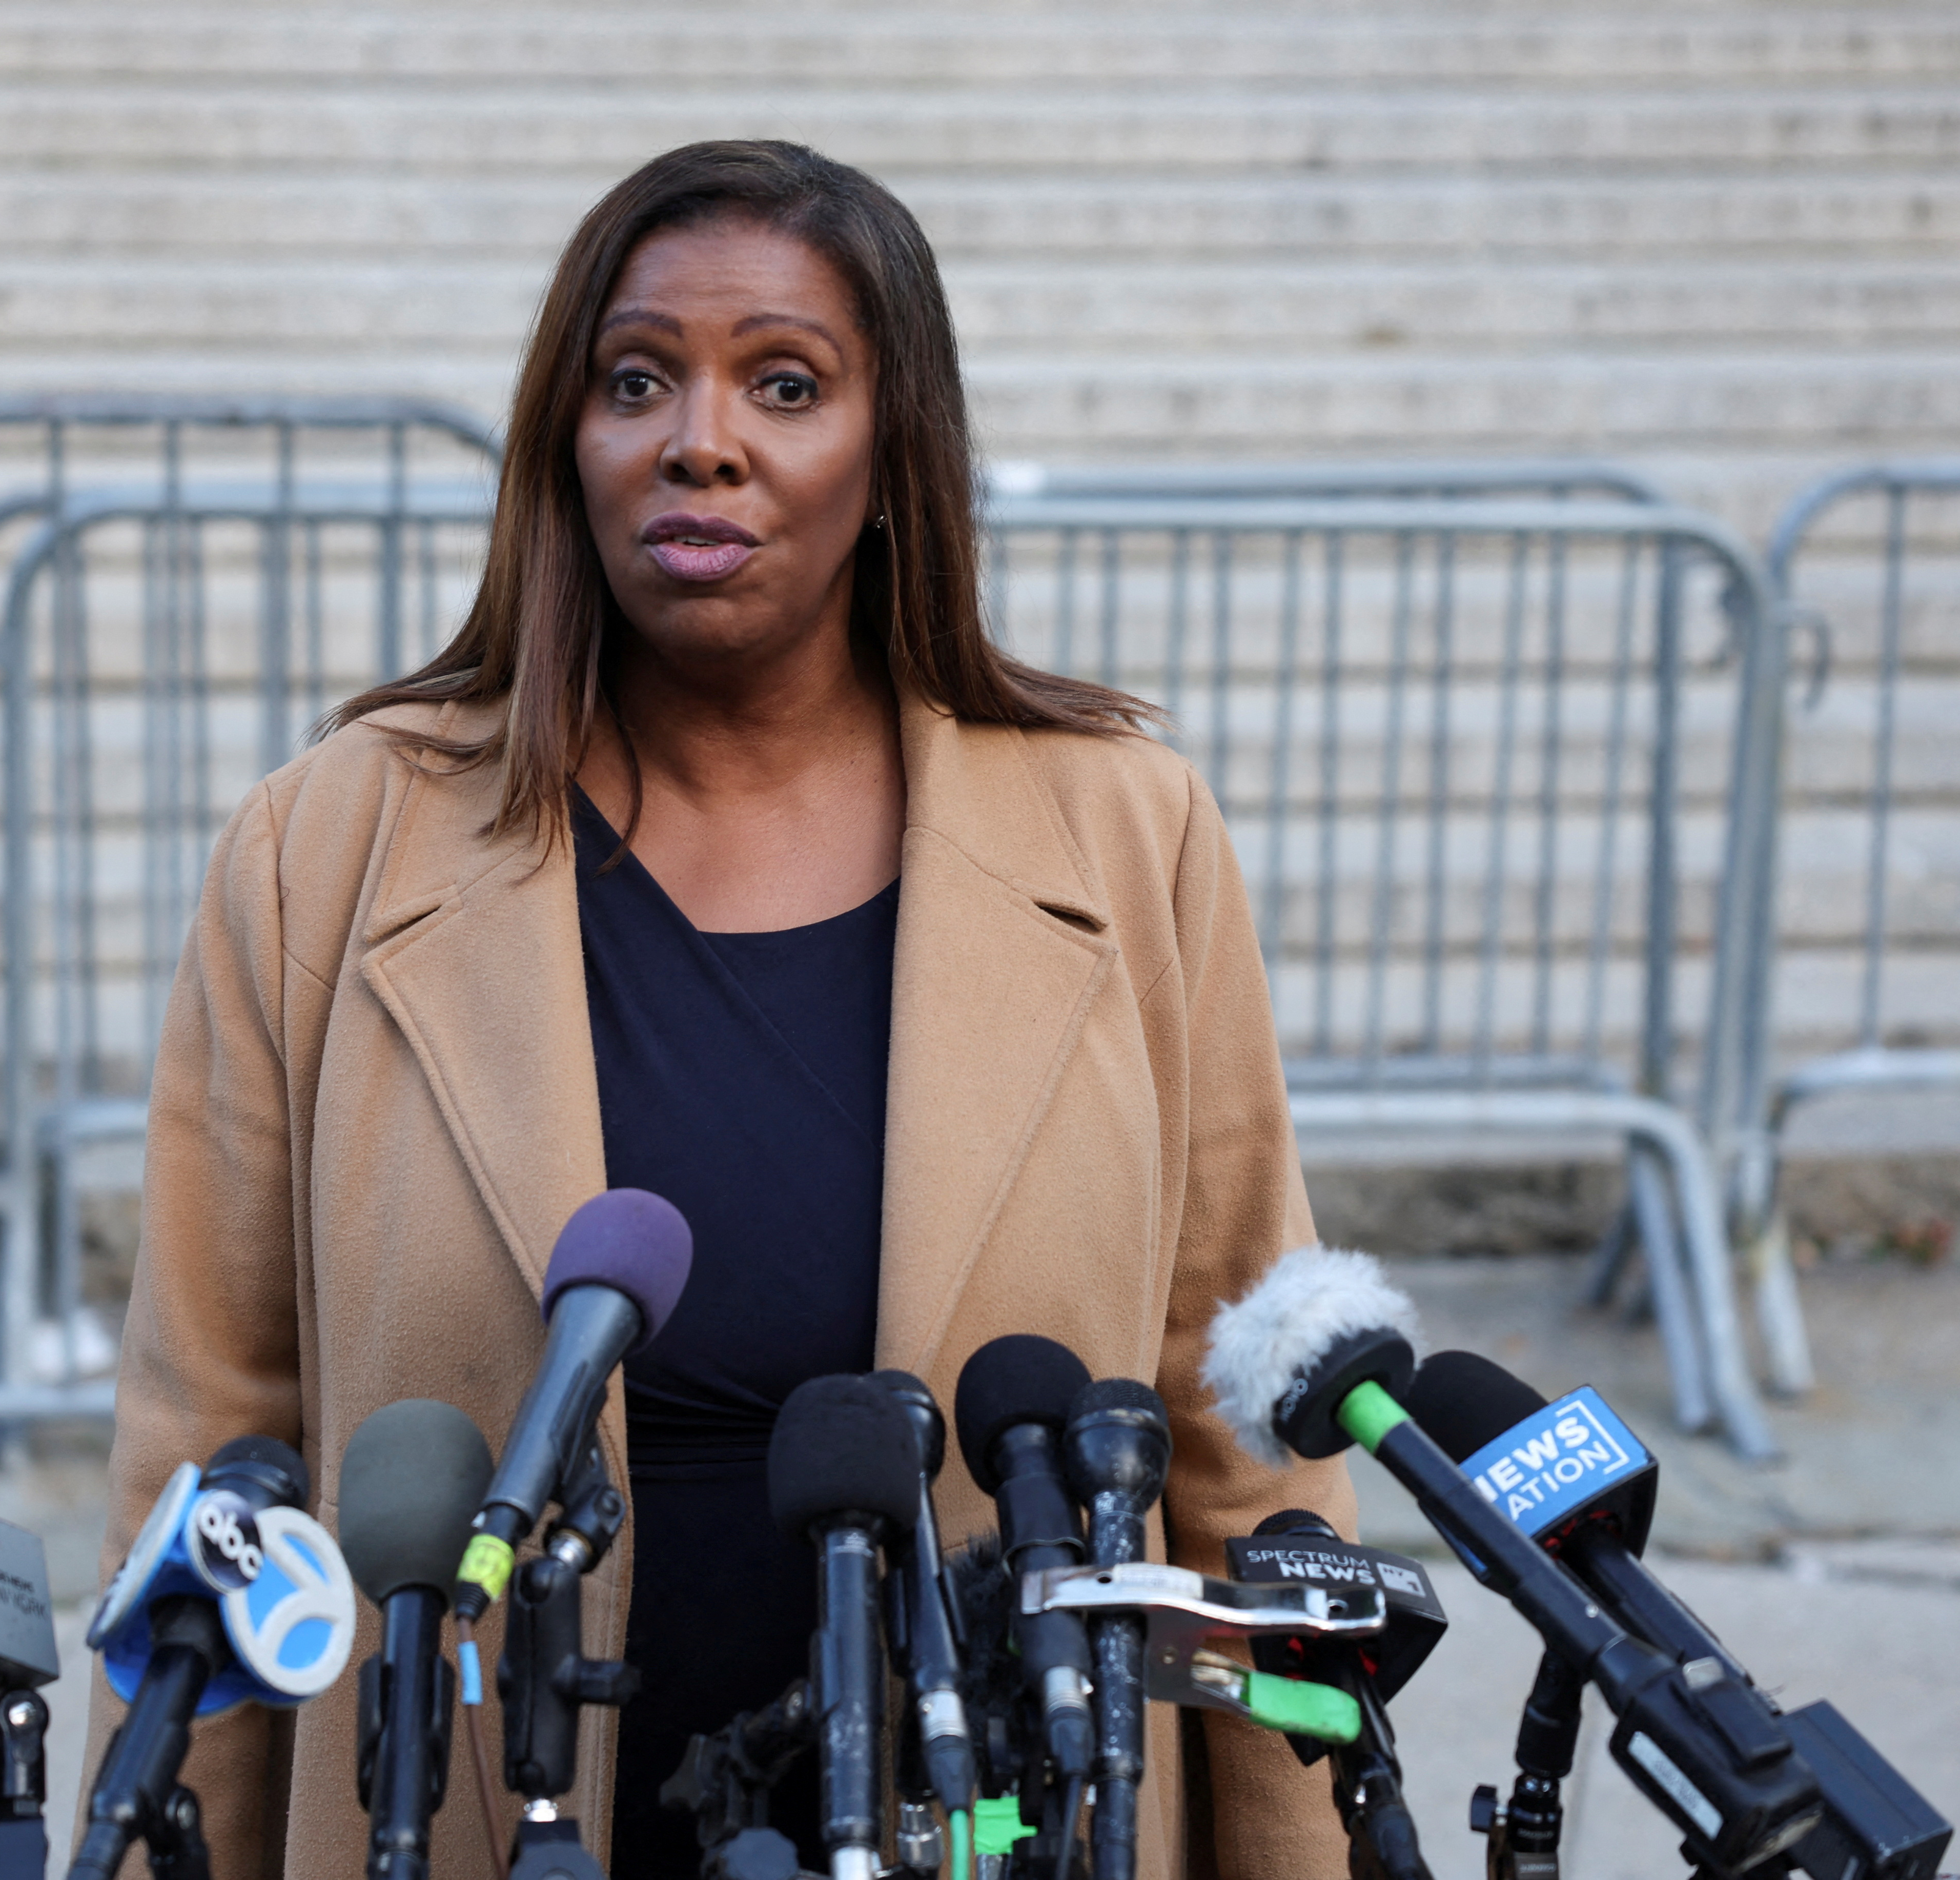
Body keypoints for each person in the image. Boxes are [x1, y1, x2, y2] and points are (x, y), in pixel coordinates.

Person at [84, 139, 1359, 1880]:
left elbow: (1241, 1446)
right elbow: (210, 1445)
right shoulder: (329, 846)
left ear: (893, 451)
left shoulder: (1125, 834)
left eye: (784, 382)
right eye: (634, 381)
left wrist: (1301, 1849)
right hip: (466, 1814)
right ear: (566, 444)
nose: (701, 437)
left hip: (988, 1819)